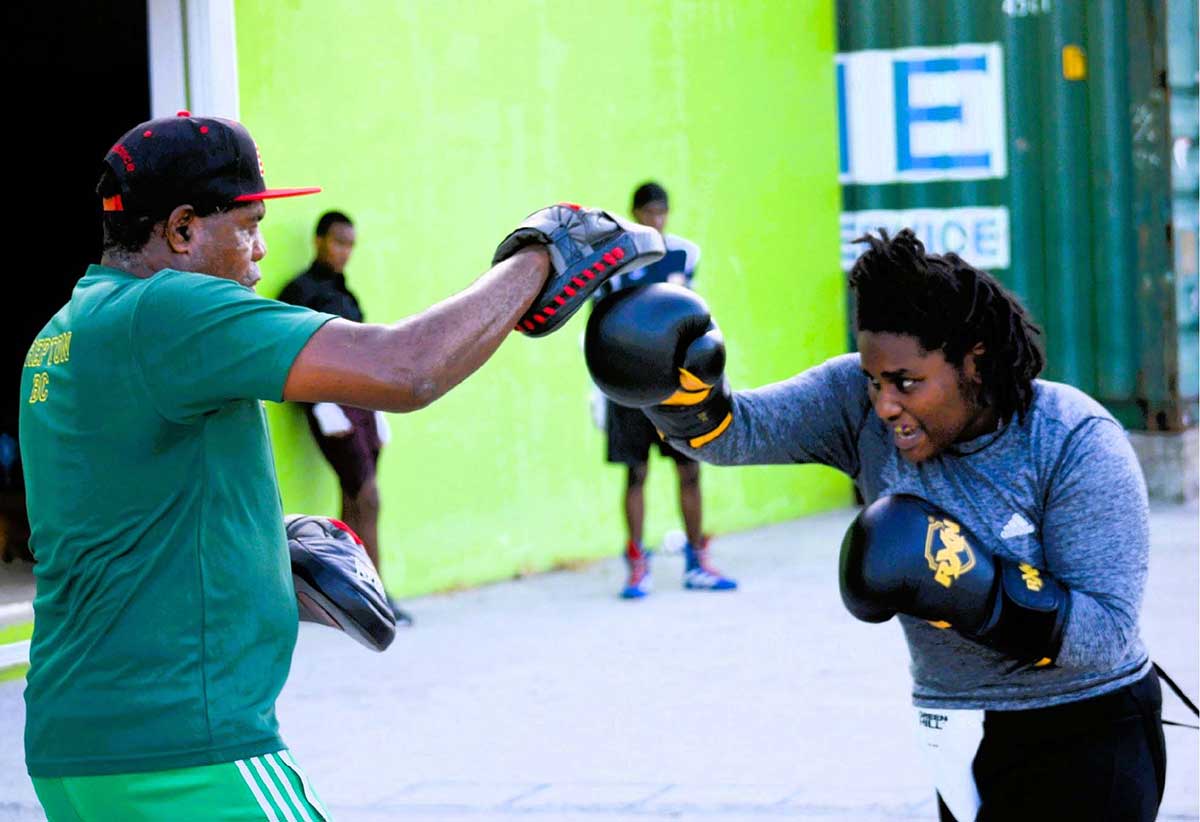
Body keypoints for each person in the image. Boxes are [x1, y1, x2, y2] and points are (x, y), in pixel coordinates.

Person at [18, 110, 663, 821]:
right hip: (186, 747)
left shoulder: (63, 334)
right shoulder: (171, 310)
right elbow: (405, 369)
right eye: (247, 226)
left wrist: (259, 548)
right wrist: (541, 256)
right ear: (181, 230)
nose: (260, 252)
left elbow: (117, 520)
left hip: (71, 745)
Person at [585, 228, 1167, 821]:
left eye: (906, 383)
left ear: (975, 360)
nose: (885, 404)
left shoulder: (1070, 438)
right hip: (953, 730)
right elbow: (738, 433)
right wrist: (677, 392)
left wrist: (971, 586)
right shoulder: (857, 403)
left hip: (1084, 736)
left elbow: (1106, 635)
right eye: (874, 380)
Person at [590, 181, 736, 599]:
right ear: (634, 213)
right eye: (649, 212)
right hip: (629, 385)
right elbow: (598, 325)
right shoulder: (613, 262)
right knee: (635, 473)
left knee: (690, 468)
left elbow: (690, 317)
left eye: (662, 212)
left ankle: (697, 560)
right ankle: (637, 564)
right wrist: (598, 387)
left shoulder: (684, 253)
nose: (656, 220)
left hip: (675, 386)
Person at [277, 211, 412, 626]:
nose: (344, 252)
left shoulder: (346, 294)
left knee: (358, 498)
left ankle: (346, 593)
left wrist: (378, 406)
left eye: (350, 244)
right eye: (338, 242)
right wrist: (319, 404)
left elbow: (365, 352)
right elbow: (290, 352)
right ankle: (376, 595)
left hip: (362, 402)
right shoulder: (299, 291)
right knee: (367, 494)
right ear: (319, 241)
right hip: (329, 402)